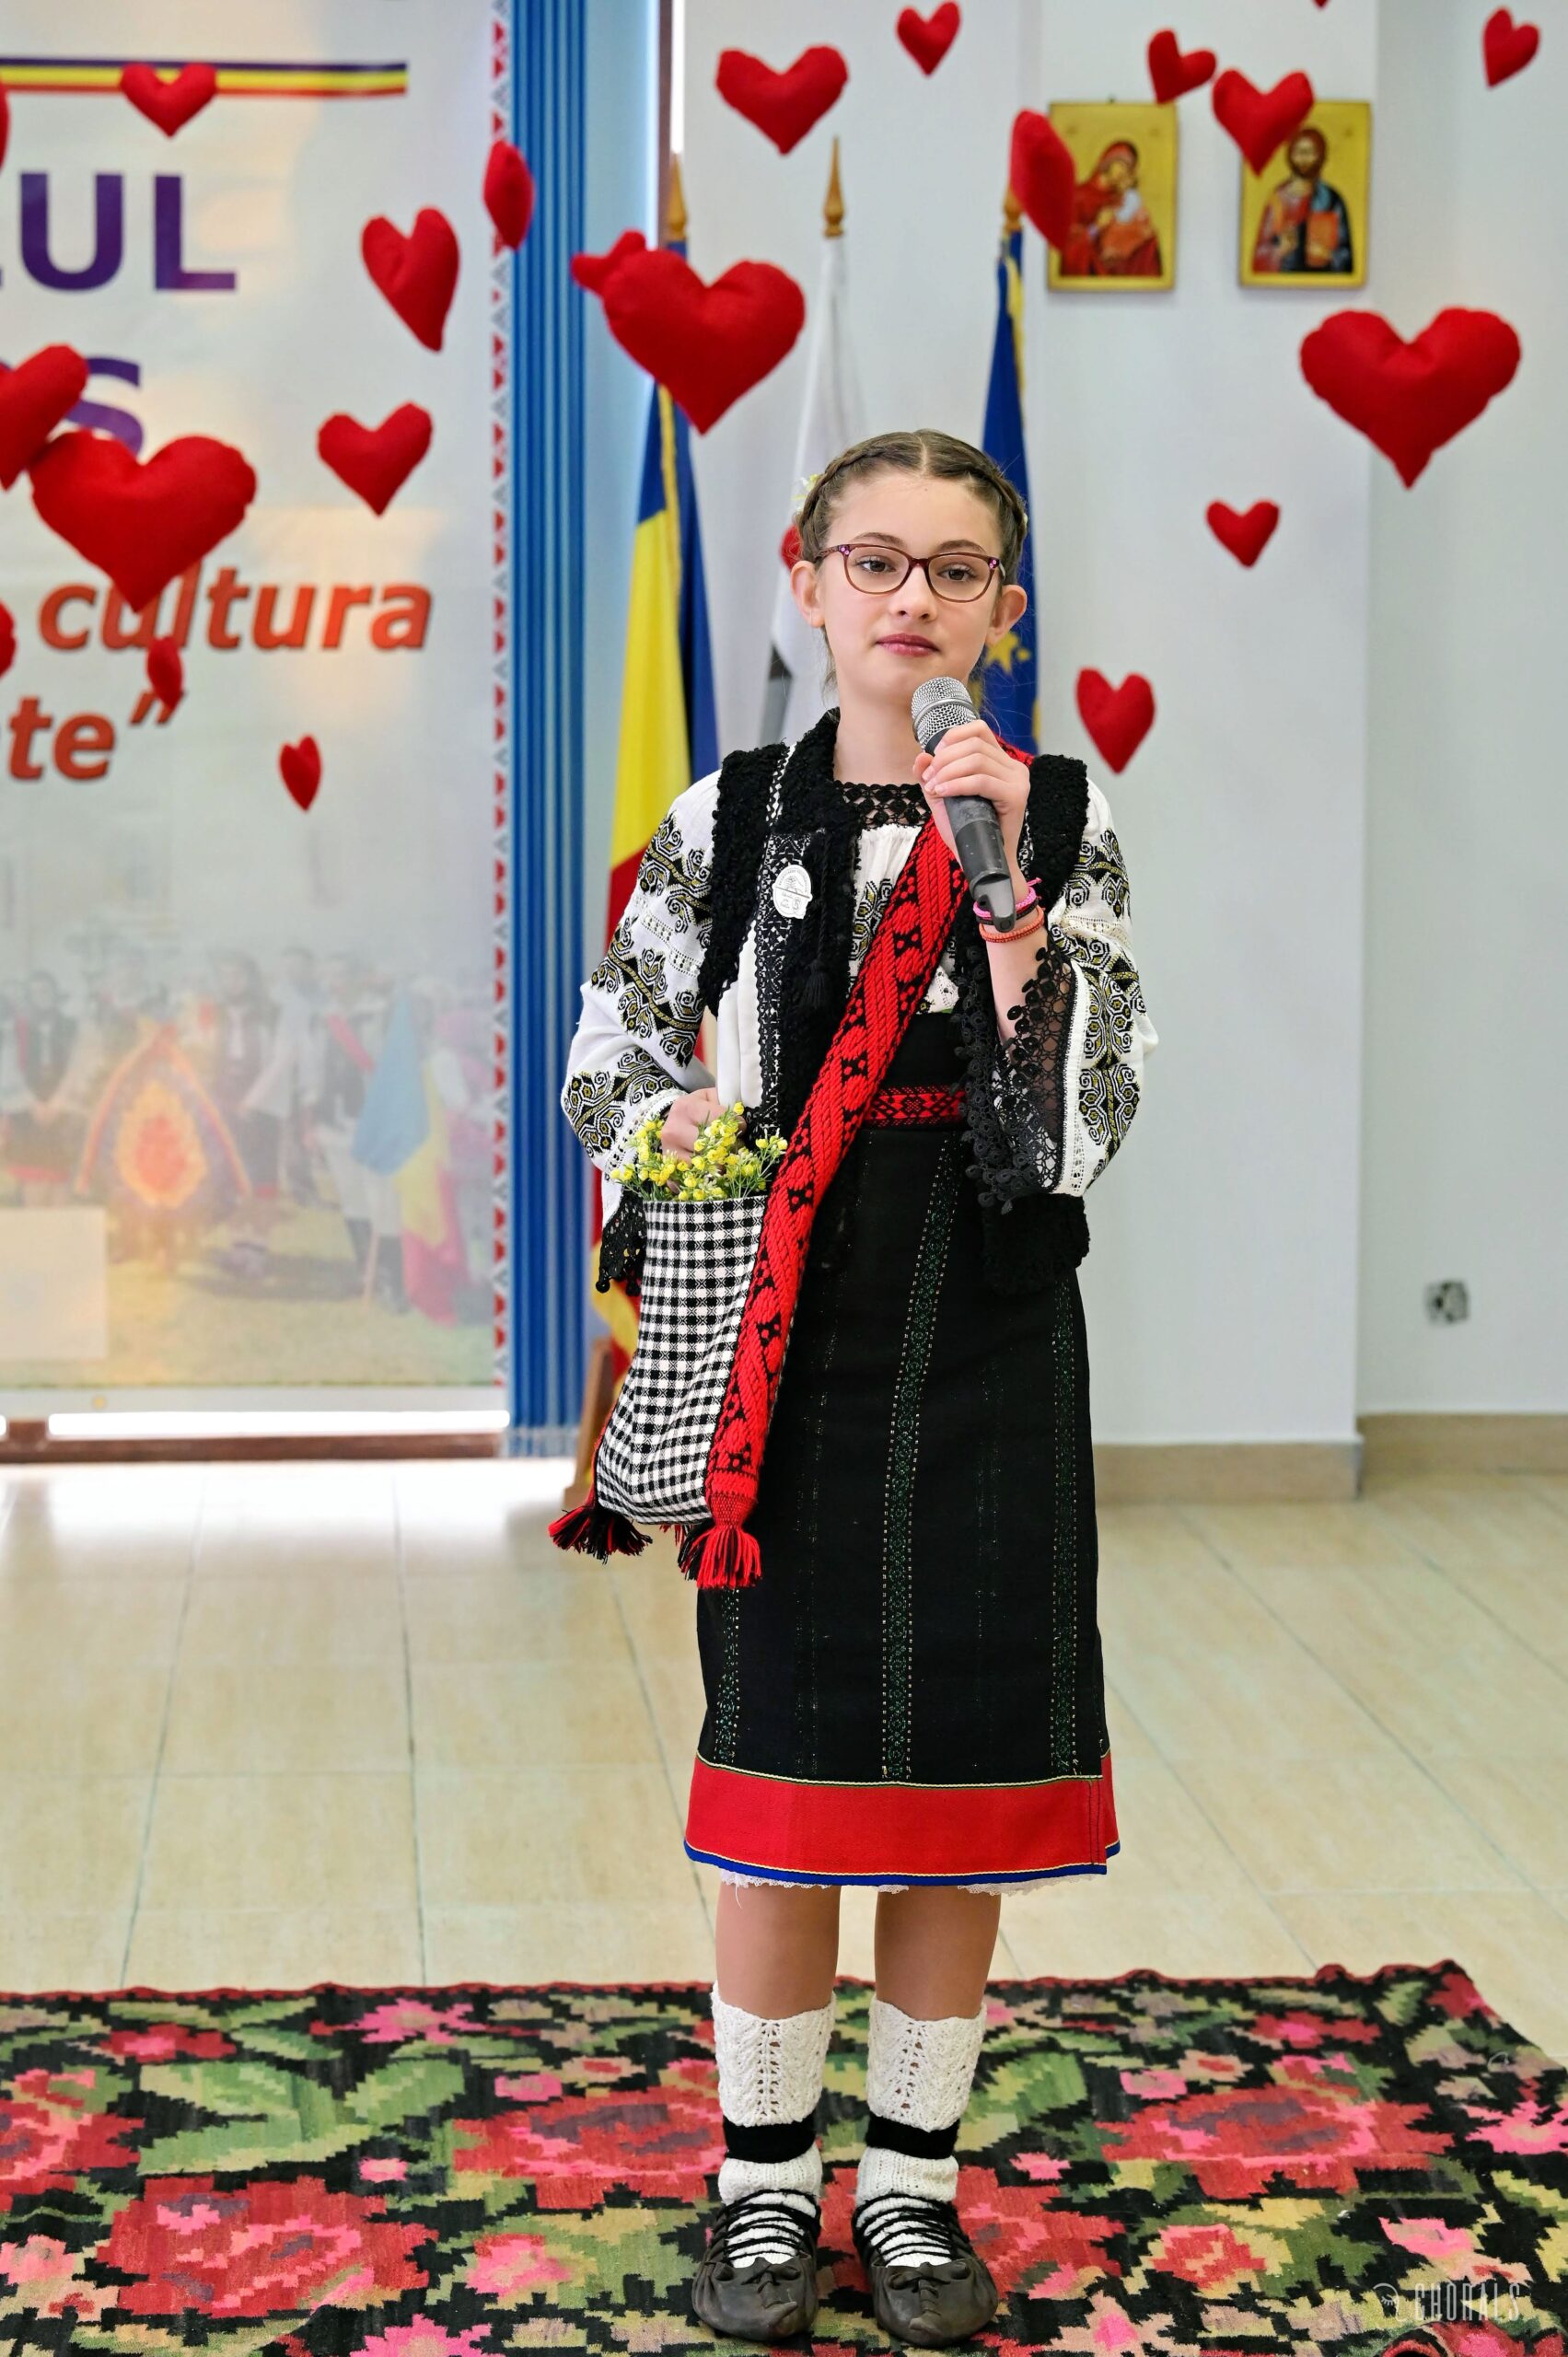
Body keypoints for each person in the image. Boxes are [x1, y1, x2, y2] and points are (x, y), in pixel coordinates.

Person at [559, 429, 1159, 2343]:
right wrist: (688, 1137)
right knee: (782, 1775)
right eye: (875, 562)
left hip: (983, 1333)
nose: (913, 599)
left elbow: (1080, 1121)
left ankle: (905, 2186)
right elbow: (606, 1058)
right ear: (806, 584)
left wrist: (1008, 905)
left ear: (1002, 607)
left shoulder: (1056, 820)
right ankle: (759, 2185)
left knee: (953, 1790)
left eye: (955, 570)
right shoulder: (724, 815)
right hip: (788, 1349)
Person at [1251, 125, 1354, 275]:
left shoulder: (1332, 200)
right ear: (1290, 155)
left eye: (1310, 152)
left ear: (1321, 156)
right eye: (1298, 152)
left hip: (1322, 282)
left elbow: (1348, 258)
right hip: (1284, 282)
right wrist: (1278, 250)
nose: (1303, 158)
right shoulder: (1278, 199)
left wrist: (1328, 255)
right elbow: (1258, 256)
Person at [1061, 138, 1163, 277]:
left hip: (1119, 262)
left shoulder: (1121, 198)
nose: (1125, 171)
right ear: (1107, 162)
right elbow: (1067, 241)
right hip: (1091, 265)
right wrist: (1096, 227)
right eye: (1122, 164)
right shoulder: (1078, 196)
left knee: (1150, 241)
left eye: (1130, 168)